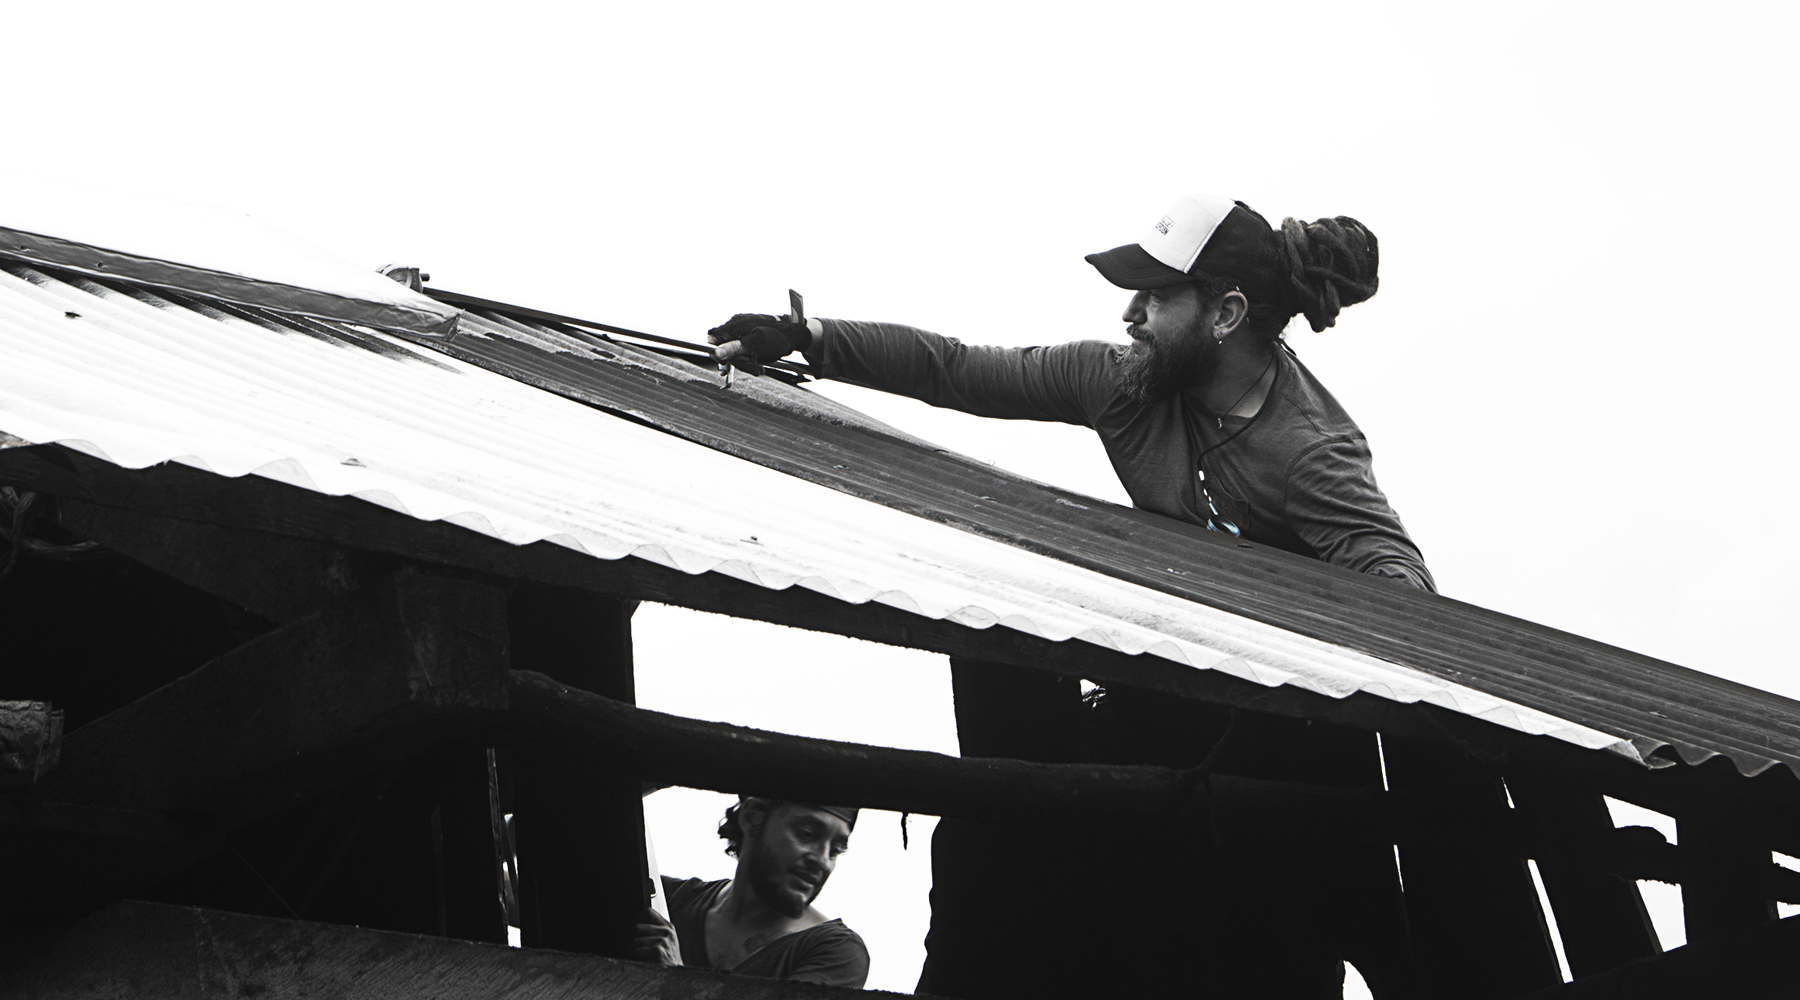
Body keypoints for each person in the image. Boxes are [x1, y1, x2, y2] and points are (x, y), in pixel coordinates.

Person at [708, 192, 1433, 591]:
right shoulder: (1119, 381)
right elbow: (954, 369)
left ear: (1226, 314)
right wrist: (811, 336)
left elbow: (1404, 586)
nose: (1129, 315)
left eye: (1155, 296)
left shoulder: (1310, 451)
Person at [631, 796, 869, 989]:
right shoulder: (665, 899)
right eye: (806, 834)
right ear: (752, 817)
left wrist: (675, 978)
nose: (823, 861)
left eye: (835, 850)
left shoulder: (835, 953)